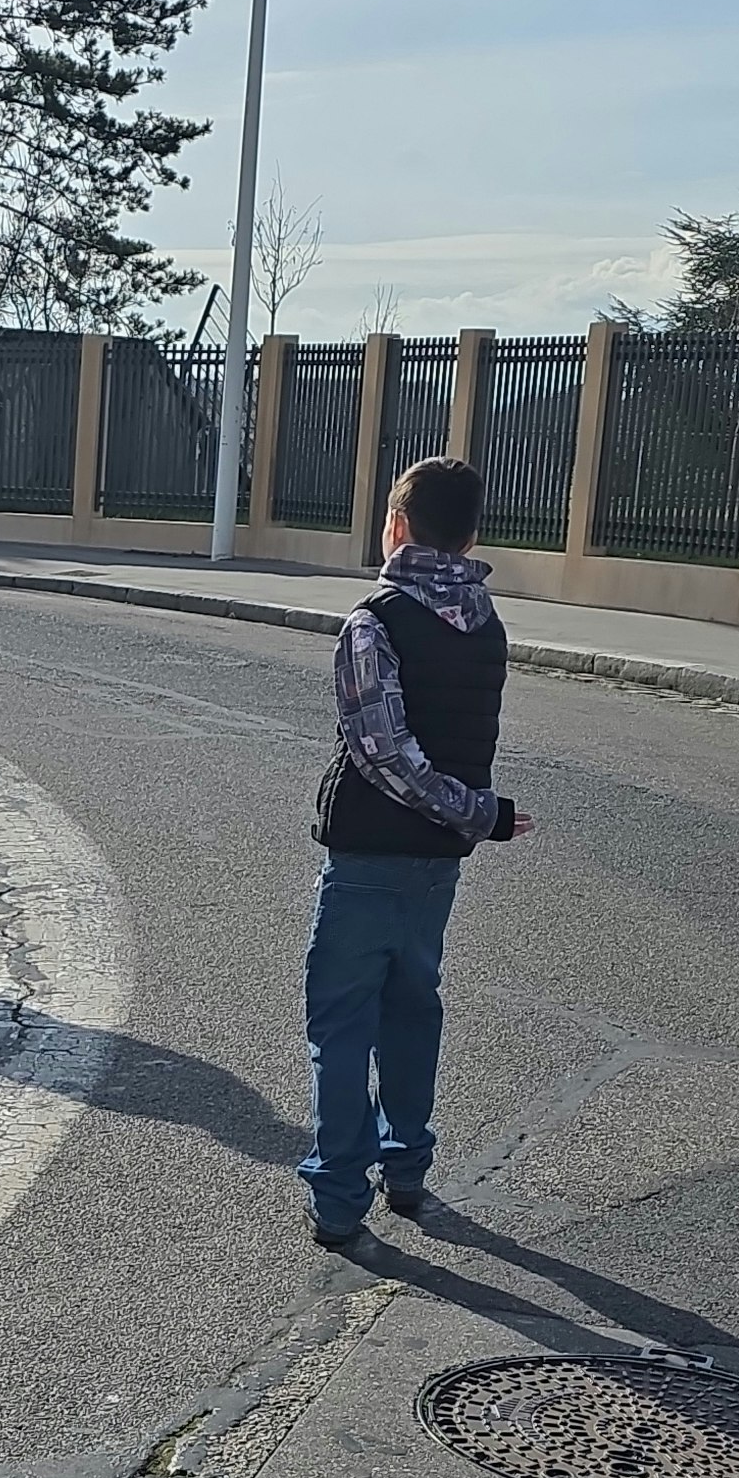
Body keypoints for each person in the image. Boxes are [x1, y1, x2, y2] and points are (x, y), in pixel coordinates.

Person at [299, 452, 529, 1254]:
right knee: (413, 1008)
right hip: (438, 862)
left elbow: (384, 751)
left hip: (369, 854)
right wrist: (475, 817)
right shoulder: (486, 622)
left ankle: (337, 1197)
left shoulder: (377, 620)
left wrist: (474, 810)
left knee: (341, 1024)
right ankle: (407, 1168)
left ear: (396, 526)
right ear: (470, 537)